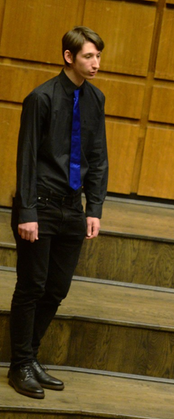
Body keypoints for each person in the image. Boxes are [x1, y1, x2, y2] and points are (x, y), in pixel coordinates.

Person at [8, 26, 108, 399]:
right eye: (88, 56)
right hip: (40, 205)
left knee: (56, 288)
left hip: (72, 207)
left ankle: (30, 357)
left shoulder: (95, 98)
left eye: (98, 56)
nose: (96, 63)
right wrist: (27, 211)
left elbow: (97, 154)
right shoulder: (41, 98)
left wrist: (94, 207)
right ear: (69, 57)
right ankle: (20, 364)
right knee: (32, 285)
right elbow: (27, 157)